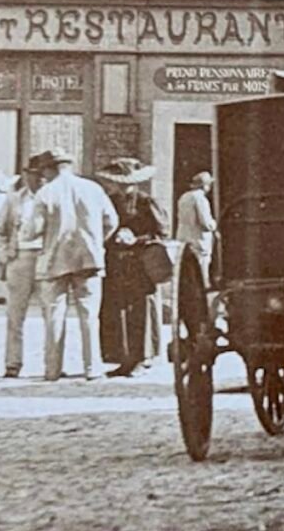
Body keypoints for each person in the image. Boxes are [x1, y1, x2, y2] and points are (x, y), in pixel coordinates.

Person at [35, 148, 118, 382]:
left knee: (54, 316)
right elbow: (111, 221)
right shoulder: (93, 189)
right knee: (90, 315)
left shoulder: (45, 193)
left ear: (49, 169)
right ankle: (93, 368)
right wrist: (96, 241)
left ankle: (52, 370)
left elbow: (32, 228)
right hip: (89, 260)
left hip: (54, 261)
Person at [97, 157, 168, 378]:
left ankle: (142, 357)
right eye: (118, 183)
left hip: (140, 263)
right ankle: (123, 357)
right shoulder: (109, 201)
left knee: (141, 310)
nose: (122, 187)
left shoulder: (146, 202)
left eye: (126, 183)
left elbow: (161, 232)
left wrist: (136, 239)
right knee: (117, 310)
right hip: (116, 263)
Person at [0, 153, 51, 379]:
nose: (37, 181)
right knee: (15, 315)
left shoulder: (53, 198)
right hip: (20, 258)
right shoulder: (14, 199)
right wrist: (4, 254)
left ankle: (52, 364)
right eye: (32, 175)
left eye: (41, 176)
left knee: (51, 313)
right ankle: (13, 363)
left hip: (46, 258)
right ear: (26, 176)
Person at [176, 171, 217, 280]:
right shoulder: (201, 199)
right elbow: (206, 223)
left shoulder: (183, 197)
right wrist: (214, 224)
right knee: (202, 272)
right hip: (198, 240)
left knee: (188, 273)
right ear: (205, 186)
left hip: (184, 238)